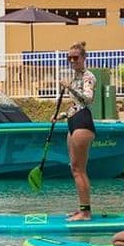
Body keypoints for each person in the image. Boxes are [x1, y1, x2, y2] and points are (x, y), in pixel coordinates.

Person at [55, 41, 97, 221]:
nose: (72, 61)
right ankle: (82, 209)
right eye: (69, 58)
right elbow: (76, 105)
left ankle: (86, 212)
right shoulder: (74, 77)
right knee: (75, 168)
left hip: (82, 122)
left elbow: (88, 99)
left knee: (79, 169)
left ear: (83, 58)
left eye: (76, 57)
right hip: (73, 121)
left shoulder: (88, 76)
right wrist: (62, 115)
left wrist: (69, 87)